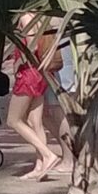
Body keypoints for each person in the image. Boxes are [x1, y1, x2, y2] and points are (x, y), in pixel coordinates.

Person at [4, 12, 61, 180]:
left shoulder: (25, 17)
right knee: (34, 121)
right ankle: (40, 165)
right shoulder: (40, 17)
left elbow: (32, 45)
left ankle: (48, 155)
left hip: (28, 74)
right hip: (39, 72)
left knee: (13, 120)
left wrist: (17, 61)